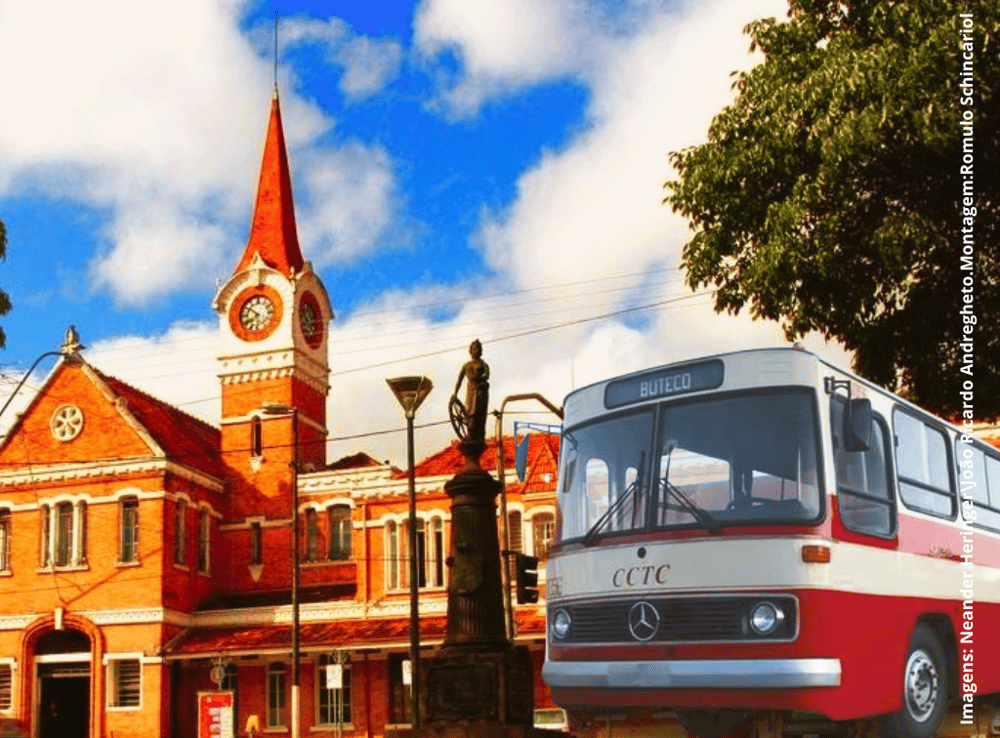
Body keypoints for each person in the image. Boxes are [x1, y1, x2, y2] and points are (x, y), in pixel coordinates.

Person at [453, 339, 490, 443]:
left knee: (480, 417)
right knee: (470, 415)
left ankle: (479, 438)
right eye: (474, 349)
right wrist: (455, 394)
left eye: (478, 348)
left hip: (481, 393)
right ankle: (470, 436)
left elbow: (487, 375)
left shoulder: (484, 365)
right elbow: (459, 380)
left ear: (481, 351)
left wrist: (478, 379)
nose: (476, 350)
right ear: (470, 351)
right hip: (471, 393)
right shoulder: (466, 366)